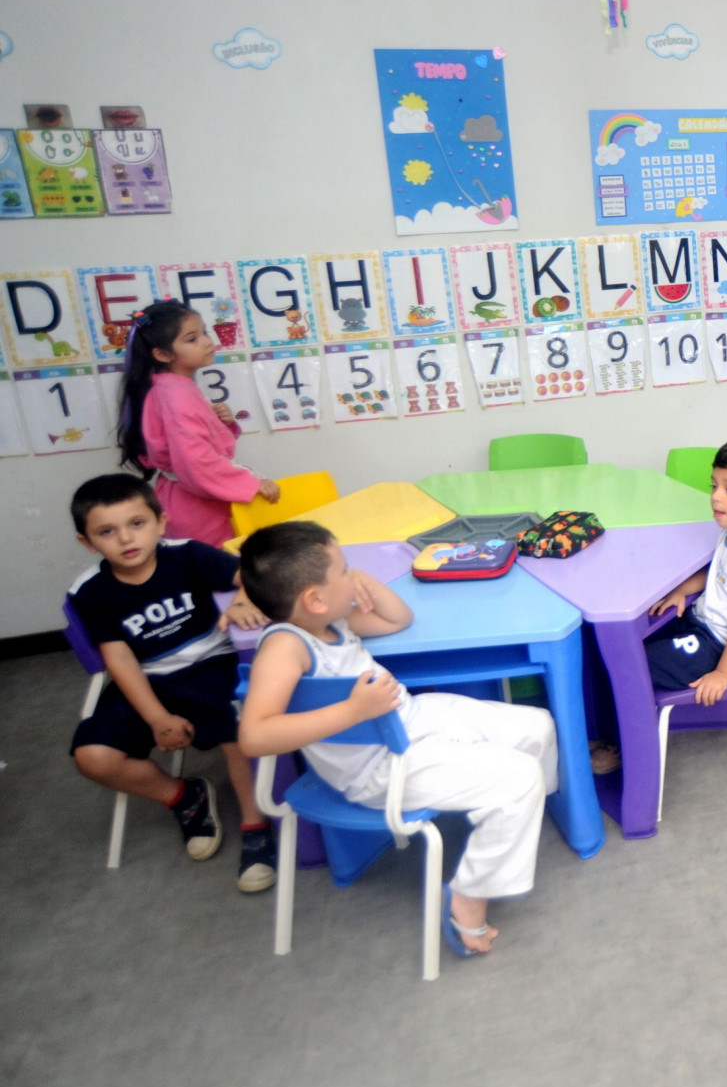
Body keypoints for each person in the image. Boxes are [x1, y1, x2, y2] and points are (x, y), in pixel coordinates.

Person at [237, 522, 557, 958]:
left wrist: (360, 585)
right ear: (313, 598)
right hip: (379, 770)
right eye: (345, 569)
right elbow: (254, 735)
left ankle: (512, 828)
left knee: (536, 726)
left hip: (411, 721)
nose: (354, 575)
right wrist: (352, 711)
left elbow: (399, 619)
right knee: (519, 777)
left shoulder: (331, 619)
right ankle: (468, 899)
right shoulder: (285, 646)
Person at [66, 473, 276, 892]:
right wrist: (158, 718)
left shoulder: (188, 555)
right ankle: (185, 797)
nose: (126, 538)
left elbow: (251, 576)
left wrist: (243, 598)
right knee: (92, 757)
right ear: (88, 542)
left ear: (161, 522)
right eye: (107, 531)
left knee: (242, 739)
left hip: (212, 664)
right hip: (147, 682)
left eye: (137, 523)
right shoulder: (90, 592)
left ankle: (255, 826)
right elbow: (119, 658)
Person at [591, 433, 727, 775]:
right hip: (702, 622)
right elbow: (720, 572)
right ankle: (606, 729)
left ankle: (621, 746)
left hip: (721, 643)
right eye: (714, 486)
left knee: (631, 667)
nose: (715, 497)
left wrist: (723, 674)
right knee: (622, 645)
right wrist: (684, 589)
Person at [117, 300, 279, 547]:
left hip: (188, 499)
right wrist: (250, 484)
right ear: (162, 354)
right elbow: (195, 461)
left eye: (204, 332)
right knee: (216, 573)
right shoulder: (176, 395)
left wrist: (219, 423)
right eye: (191, 339)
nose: (206, 341)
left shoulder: (172, 388)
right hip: (196, 507)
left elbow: (190, 446)